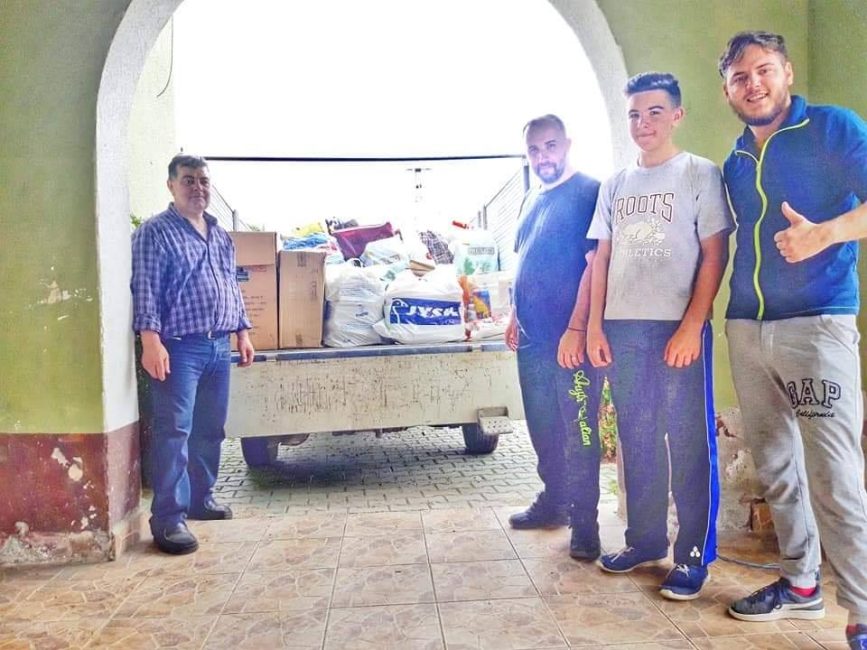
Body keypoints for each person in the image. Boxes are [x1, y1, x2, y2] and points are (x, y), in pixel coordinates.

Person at [718, 31, 867, 649]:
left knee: (834, 472)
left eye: (763, 70)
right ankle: (801, 584)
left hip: (817, 324)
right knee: (776, 464)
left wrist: (825, 233)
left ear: (787, 72)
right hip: (747, 327)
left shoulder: (831, 128)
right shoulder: (734, 161)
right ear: (727, 91)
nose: (753, 84)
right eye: (739, 77)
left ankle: (862, 611)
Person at [586, 72, 733, 600]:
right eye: (634, 114)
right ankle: (645, 539)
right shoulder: (615, 185)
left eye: (654, 112)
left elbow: (714, 254)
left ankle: (692, 554)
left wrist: (693, 325)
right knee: (638, 437)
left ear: (676, 115)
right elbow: (602, 258)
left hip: (678, 330)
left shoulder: (698, 173)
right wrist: (595, 325)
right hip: (623, 330)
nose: (643, 123)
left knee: (688, 441)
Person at [131, 154, 255, 555]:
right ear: (171, 185)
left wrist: (242, 332)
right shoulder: (154, 233)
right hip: (178, 347)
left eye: (203, 180)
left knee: (210, 428)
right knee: (174, 432)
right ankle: (168, 520)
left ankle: (202, 499)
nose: (197, 187)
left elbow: (231, 286)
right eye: (188, 180)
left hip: (219, 346)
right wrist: (151, 341)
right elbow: (145, 289)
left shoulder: (220, 235)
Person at [505, 114, 604, 560]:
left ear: (567, 144)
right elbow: (526, 259)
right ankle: (555, 502)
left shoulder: (589, 192)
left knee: (579, 431)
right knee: (543, 427)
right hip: (532, 340)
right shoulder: (531, 198)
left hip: (571, 344)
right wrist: (514, 314)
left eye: (550, 146)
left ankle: (585, 524)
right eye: (534, 150)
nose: (543, 157)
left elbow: (595, 266)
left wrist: (577, 329)